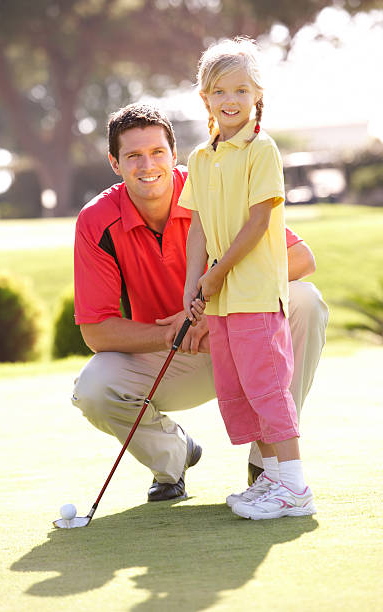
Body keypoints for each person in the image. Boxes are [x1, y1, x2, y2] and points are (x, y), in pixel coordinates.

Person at [72, 101, 328, 505]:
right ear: (114, 163)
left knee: (305, 302)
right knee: (93, 388)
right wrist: (172, 329)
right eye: (133, 156)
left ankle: (270, 458)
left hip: (243, 334)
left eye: (157, 152)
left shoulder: (212, 184)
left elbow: (300, 259)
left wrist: (214, 310)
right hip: (173, 355)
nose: (147, 165)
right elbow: (96, 330)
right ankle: (173, 457)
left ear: (174, 155)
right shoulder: (96, 220)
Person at [180, 37, 319, 520]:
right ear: (205, 99)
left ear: (257, 95)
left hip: (254, 294)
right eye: (220, 91)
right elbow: (197, 226)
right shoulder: (200, 158)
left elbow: (259, 221)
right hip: (220, 300)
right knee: (238, 389)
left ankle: (295, 488)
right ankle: (274, 482)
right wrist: (191, 284)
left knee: (267, 386)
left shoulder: (262, 149)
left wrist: (215, 275)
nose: (231, 99)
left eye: (242, 89)